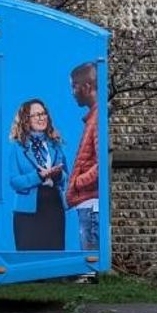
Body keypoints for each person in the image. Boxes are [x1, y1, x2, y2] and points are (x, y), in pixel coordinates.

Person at [9, 99, 67, 250]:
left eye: (43, 113)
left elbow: (67, 176)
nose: (42, 118)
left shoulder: (55, 144)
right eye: (36, 115)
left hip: (54, 207)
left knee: (54, 256)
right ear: (26, 120)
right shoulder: (17, 147)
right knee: (29, 257)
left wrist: (58, 176)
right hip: (28, 212)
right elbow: (15, 181)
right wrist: (39, 176)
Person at [67, 62, 100, 250]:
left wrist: (79, 182)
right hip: (88, 203)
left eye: (74, 86)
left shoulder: (96, 120)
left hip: (90, 202)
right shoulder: (92, 118)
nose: (72, 92)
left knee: (89, 257)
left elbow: (100, 164)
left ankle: (90, 277)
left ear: (87, 87)